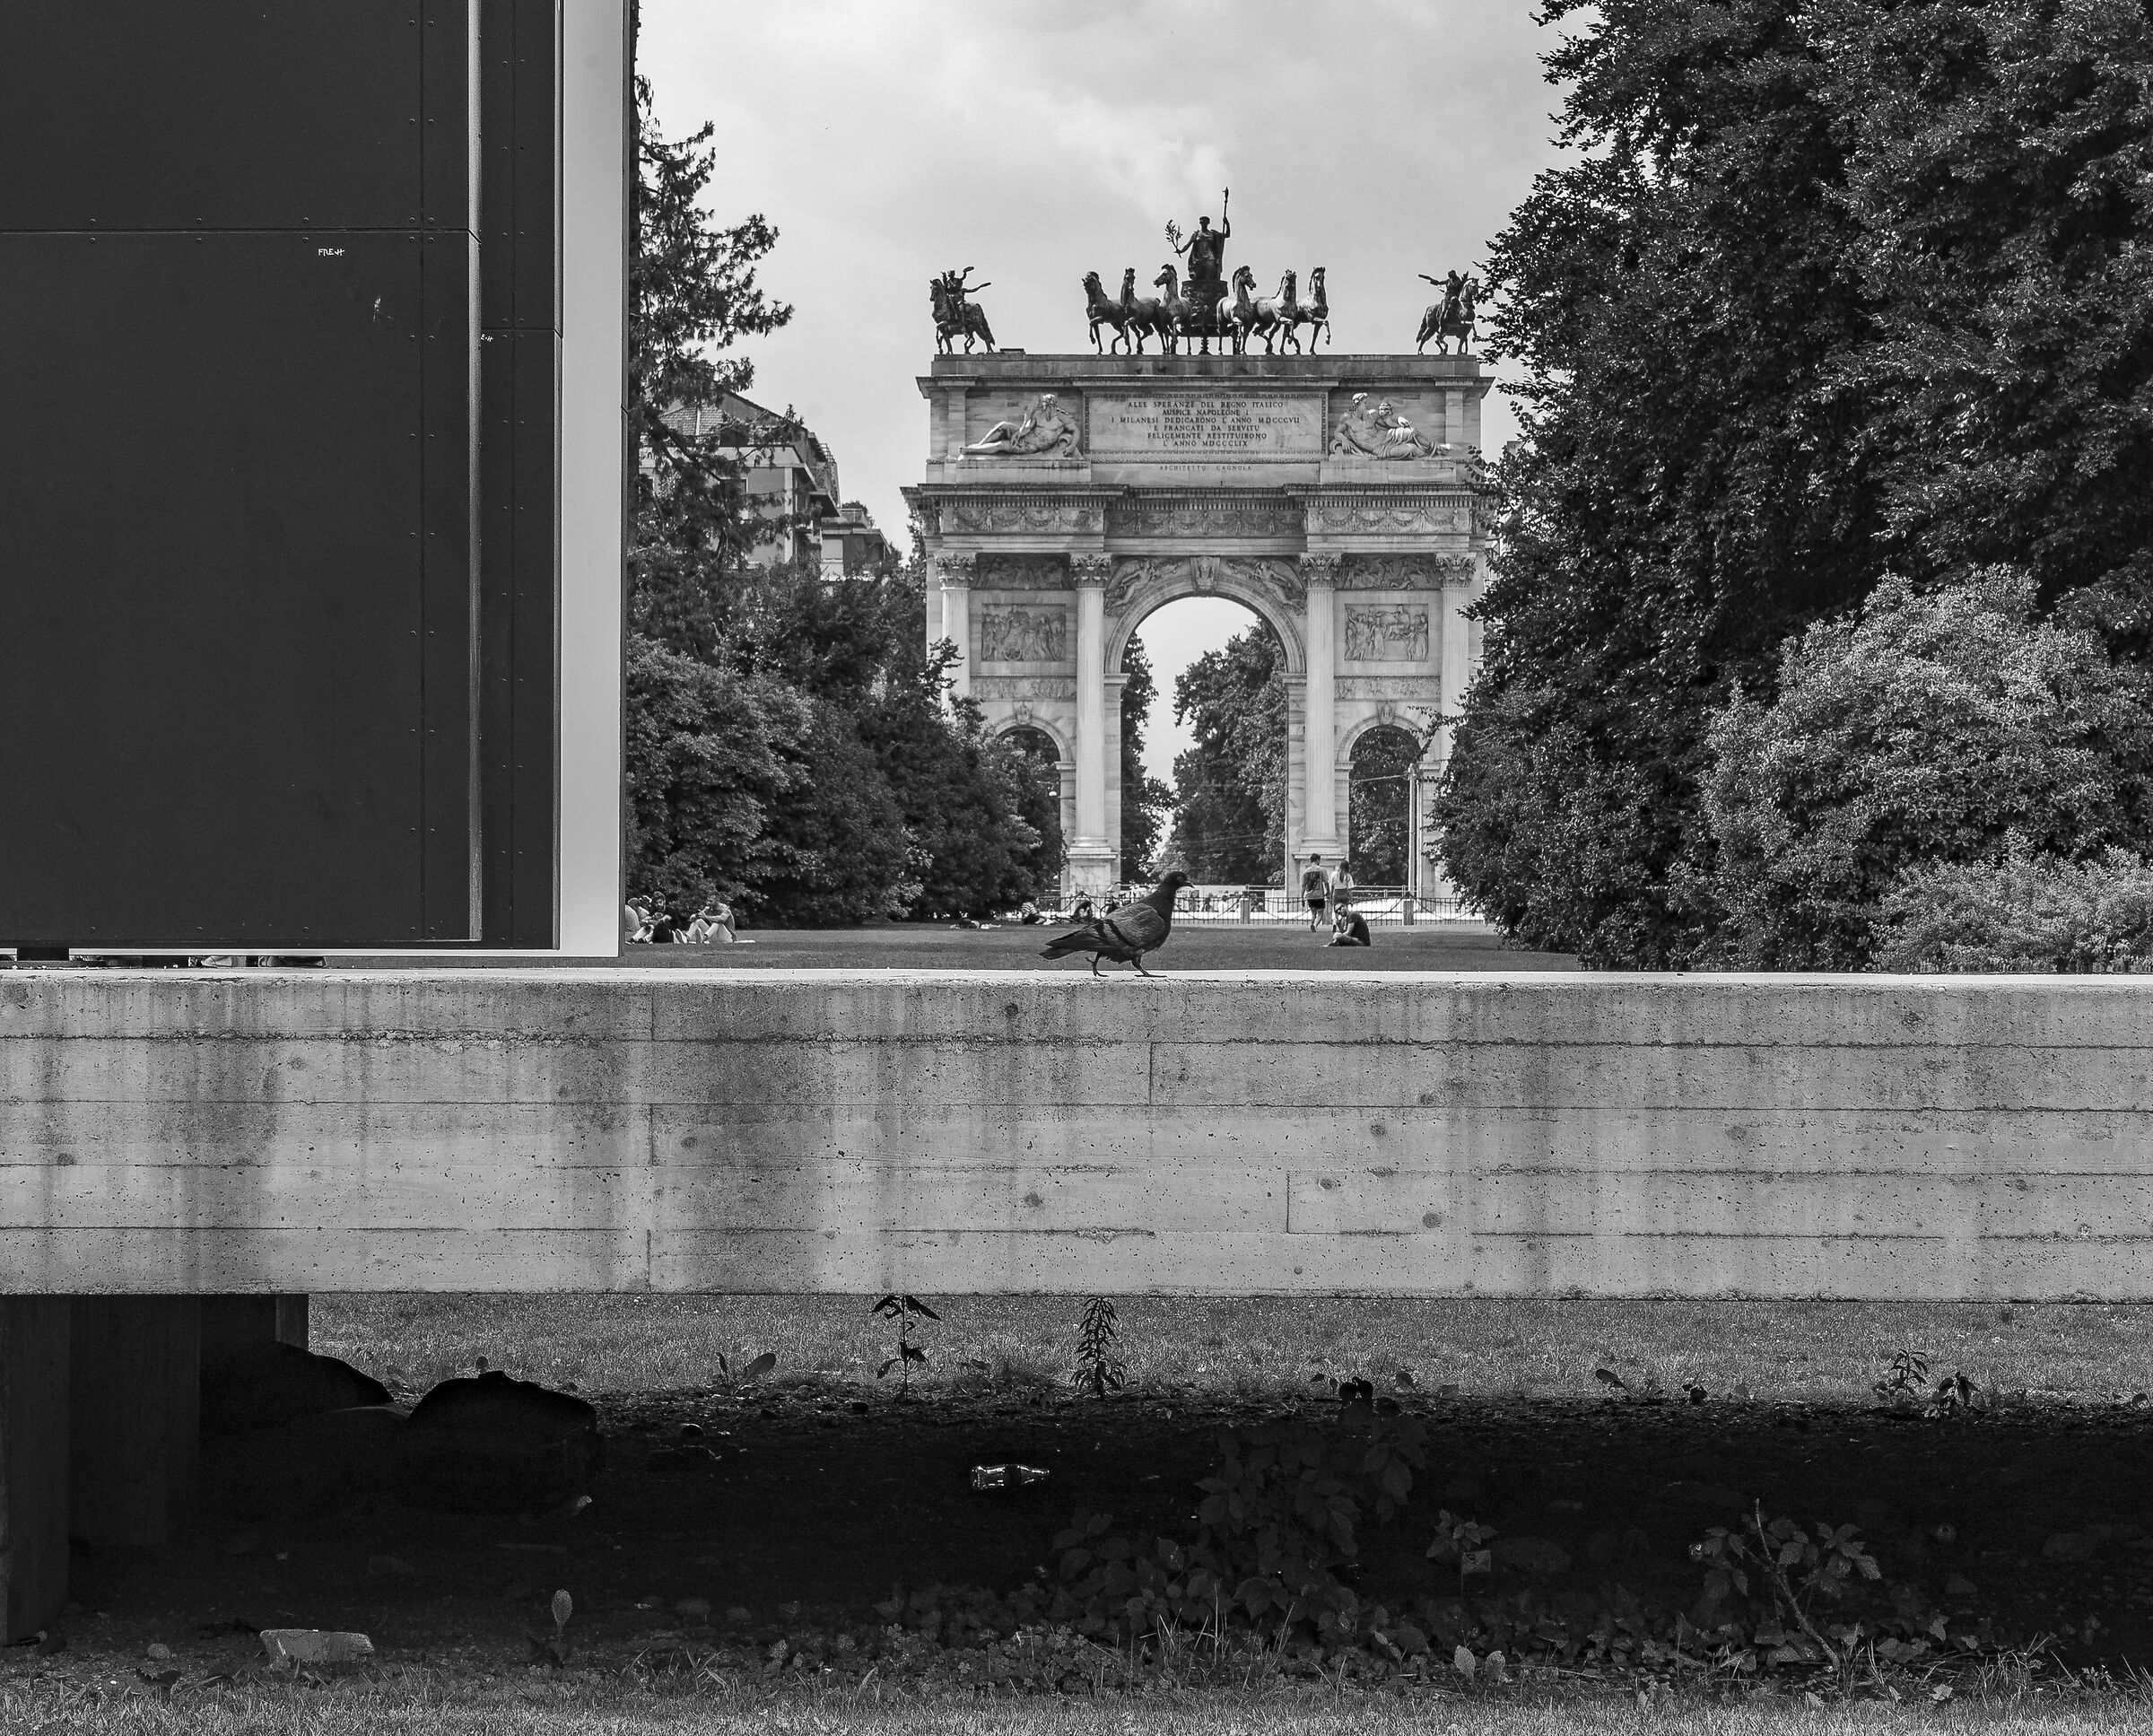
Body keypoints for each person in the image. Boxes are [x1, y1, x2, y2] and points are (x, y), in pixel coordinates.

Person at [1301, 854, 1332, 931]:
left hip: (1310, 895)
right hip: (1319, 895)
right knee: (1320, 913)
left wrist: (1302, 897)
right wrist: (1328, 892)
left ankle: (1312, 926)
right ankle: (1314, 925)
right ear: (1317, 860)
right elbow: (1326, 882)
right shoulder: (1322, 870)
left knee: (1313, 913)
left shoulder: (1306, 872)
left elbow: (1303, 886)